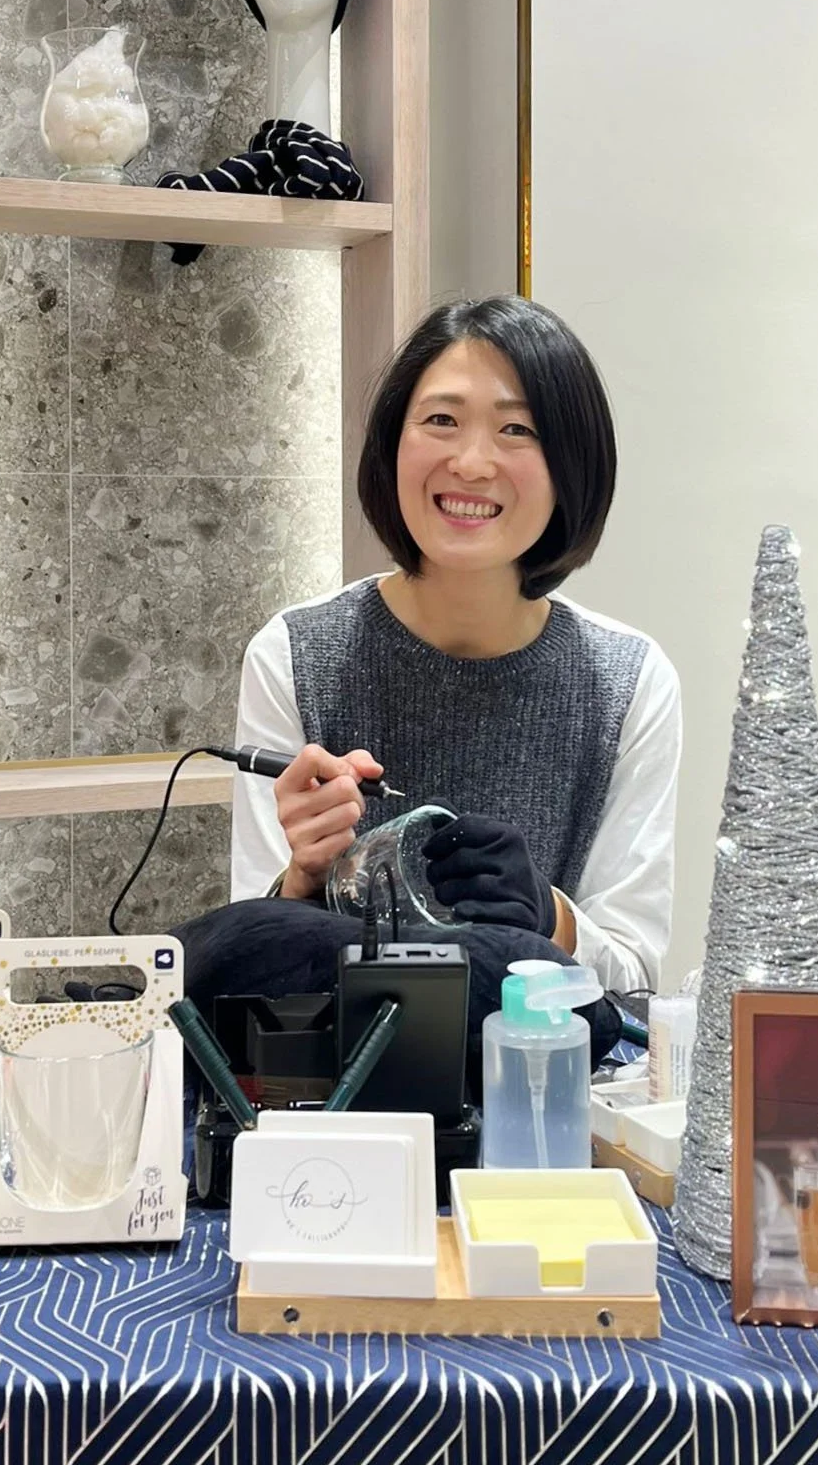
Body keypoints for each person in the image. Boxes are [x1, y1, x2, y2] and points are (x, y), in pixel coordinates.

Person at [229, 295, 681, 994]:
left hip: (545, 1085)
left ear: (572, 466)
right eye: (441, 420)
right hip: (342, 1090)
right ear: (393, 443)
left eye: (517, 430)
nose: (471, 463)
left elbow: (634, 979)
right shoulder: (295, 655)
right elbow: (244, 973)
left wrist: (547, 910)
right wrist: (303, 881)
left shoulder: (629, 681)